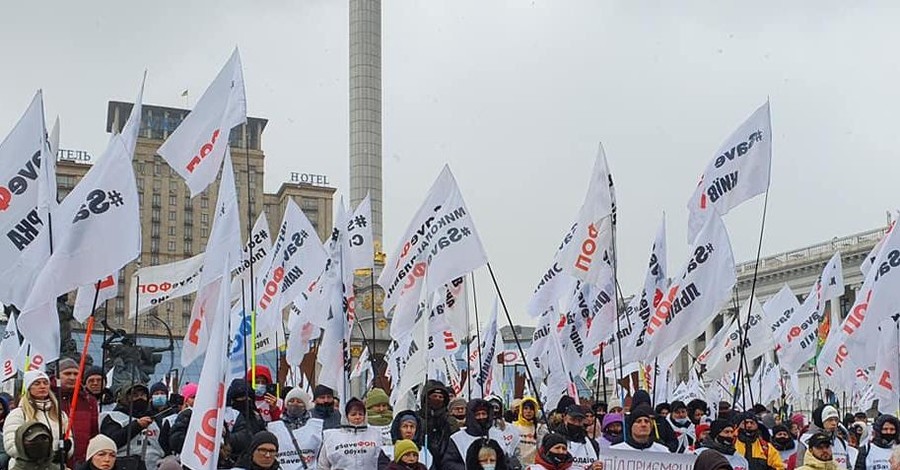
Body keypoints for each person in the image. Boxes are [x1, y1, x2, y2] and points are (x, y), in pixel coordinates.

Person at [4, 371, 73, 469]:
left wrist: (67, 449)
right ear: (28, 387)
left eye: (45, 383)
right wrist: (42, 455)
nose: (42, 386)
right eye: (37, 383)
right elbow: (11, 445)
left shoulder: (60, 414)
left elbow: (69, 437)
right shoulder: (18, 413)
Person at [99, 383, 164, 470]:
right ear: (125, 398)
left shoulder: (155, 419)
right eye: (135, 395)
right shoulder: (114, 417)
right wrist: (137, 426)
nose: (140, 398)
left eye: (143, 395)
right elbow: (110, 442)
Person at [54, 357, 99, 467]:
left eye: (76, 374)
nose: (72, 377)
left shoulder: (89, 400)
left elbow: (94, 432)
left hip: (81, 462)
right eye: (67, 373)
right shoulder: (49, 398)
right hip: (55, 460)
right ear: (57, 376)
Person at [442, 399, 510, 470]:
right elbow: (449, 463)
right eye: (477, 414)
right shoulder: (457, 438)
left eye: (483, 414)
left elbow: (505, 459)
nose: (481, 417)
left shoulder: (497, 434)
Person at [317, 397, 382, 469]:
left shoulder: (375, 434)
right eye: (353, 414)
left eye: (360, 414)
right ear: (346, 416)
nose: (357, 417)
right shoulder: (332, 437)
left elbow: (383, 461)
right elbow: (323, 465)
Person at [267, 387, 322, 470]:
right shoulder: (274, 427)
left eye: (299, 402)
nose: (295, 404)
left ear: (305, 406)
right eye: (291, 401)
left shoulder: (316, 425)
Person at [417, 380, 458, 466]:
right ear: (426, 398)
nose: (437, 399)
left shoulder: (450, 421)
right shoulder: (417, 418)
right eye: (434, 396)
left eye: (440, 397)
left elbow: (455, 444)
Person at [799, 405, 853, 470]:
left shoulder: (841, 442)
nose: (834, 423)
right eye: (830, 420)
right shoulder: (806, 440)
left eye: (836, 420)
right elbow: (799, 464)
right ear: (821, 421)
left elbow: (848, 466)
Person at [227, 379, 268, 460]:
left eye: (249, 396)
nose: (246, 399)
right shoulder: (230, 417)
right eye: (241, 397)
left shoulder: (256, 415)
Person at [162, 382, 196, 455]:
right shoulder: (171, 420)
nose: (196, 400)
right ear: (185, 400)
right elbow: (163, 441)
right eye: (193, 397)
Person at [486, 396, 521, 466]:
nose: (494, 411)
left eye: (496, 408)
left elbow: (517, 450)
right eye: (491, 408)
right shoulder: (481, 429)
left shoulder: (512, 428)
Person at [512, 397, 546, 465]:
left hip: (533, 465)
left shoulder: (540, 428)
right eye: (526, 408)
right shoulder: (513, 426)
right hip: (516, 465)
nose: (528, 411)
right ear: (521, 410)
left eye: (531, 409)